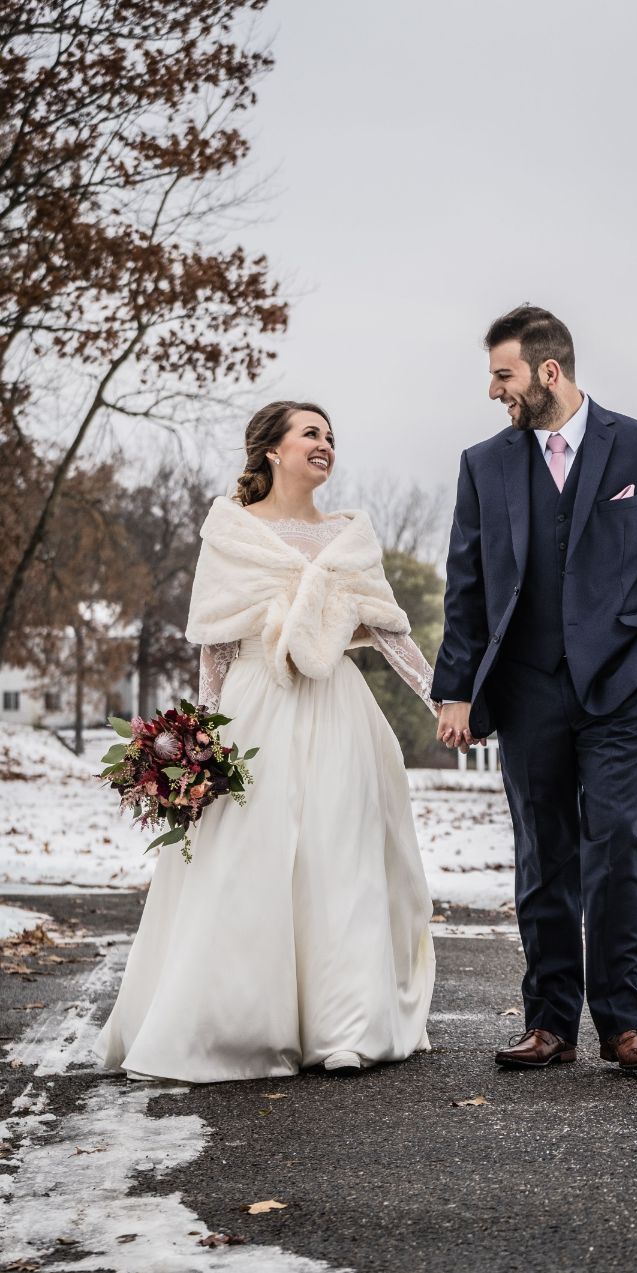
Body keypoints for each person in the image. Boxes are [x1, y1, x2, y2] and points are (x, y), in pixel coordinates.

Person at [96, 401, 436, 1082]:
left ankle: (345, 1028)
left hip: (339, 707)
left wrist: (444, 701)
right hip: (257, 707)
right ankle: (241, 1024)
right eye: (311, 433)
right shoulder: (232, 531)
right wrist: (201, 739)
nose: (325, 444)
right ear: (272, 450)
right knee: (247, 862)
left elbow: (392, 632)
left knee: (341, 858)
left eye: (332, 436)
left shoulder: (350, 537)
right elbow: (216, 644)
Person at [433, 306, 637, 1072]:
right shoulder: (484, 463)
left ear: (549, 371)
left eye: (504, 374)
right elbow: (468, 586)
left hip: (620, 686)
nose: (494, 391)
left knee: (615, 843)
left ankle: (624, 1022)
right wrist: (457, 688)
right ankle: (550, 1022)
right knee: (542, 854)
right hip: (525, 691)